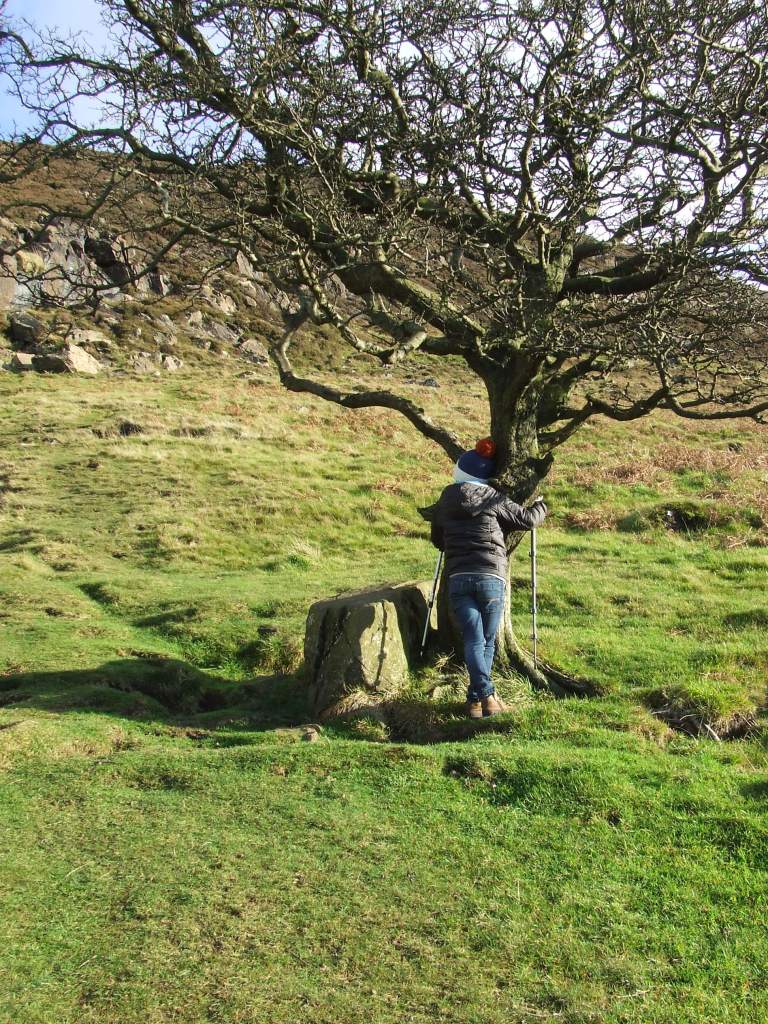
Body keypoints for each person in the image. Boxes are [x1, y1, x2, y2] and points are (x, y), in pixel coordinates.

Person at [430, 439, 547, 719]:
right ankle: (489, 696)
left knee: (474, 640)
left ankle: (475, 702)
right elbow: (528, 519)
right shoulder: (493, 498)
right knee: (488, 641)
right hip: (491, 575)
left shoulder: (446, 500)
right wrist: (543, 505)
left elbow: (437, 540)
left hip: (459, 576)